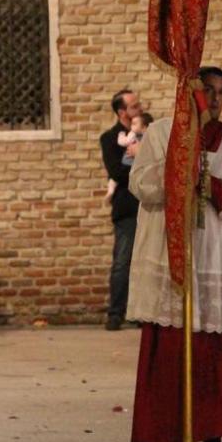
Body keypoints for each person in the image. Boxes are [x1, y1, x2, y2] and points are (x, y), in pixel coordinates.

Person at [126, 66, 222, 442]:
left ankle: (213, 435)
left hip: (218, 258)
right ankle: (171, 435)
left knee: (215, 352)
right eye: (209, 90)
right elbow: (140, 183)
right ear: (191, 93)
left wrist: (211, 184)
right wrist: (178, 172)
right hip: (172, 256)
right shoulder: (161, 134)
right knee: (171, 351)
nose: (217, 98)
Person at [100, 89, 143, 330]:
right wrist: (141, 166)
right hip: (127, 207)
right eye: (135, 106)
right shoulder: (109, 138)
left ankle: (141, 313)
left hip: (148, 206)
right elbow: (116, 171)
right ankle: (116, 313)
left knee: (145, 263)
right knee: (122, 262)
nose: (140, 109)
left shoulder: (148, 133)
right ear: (122, 112)